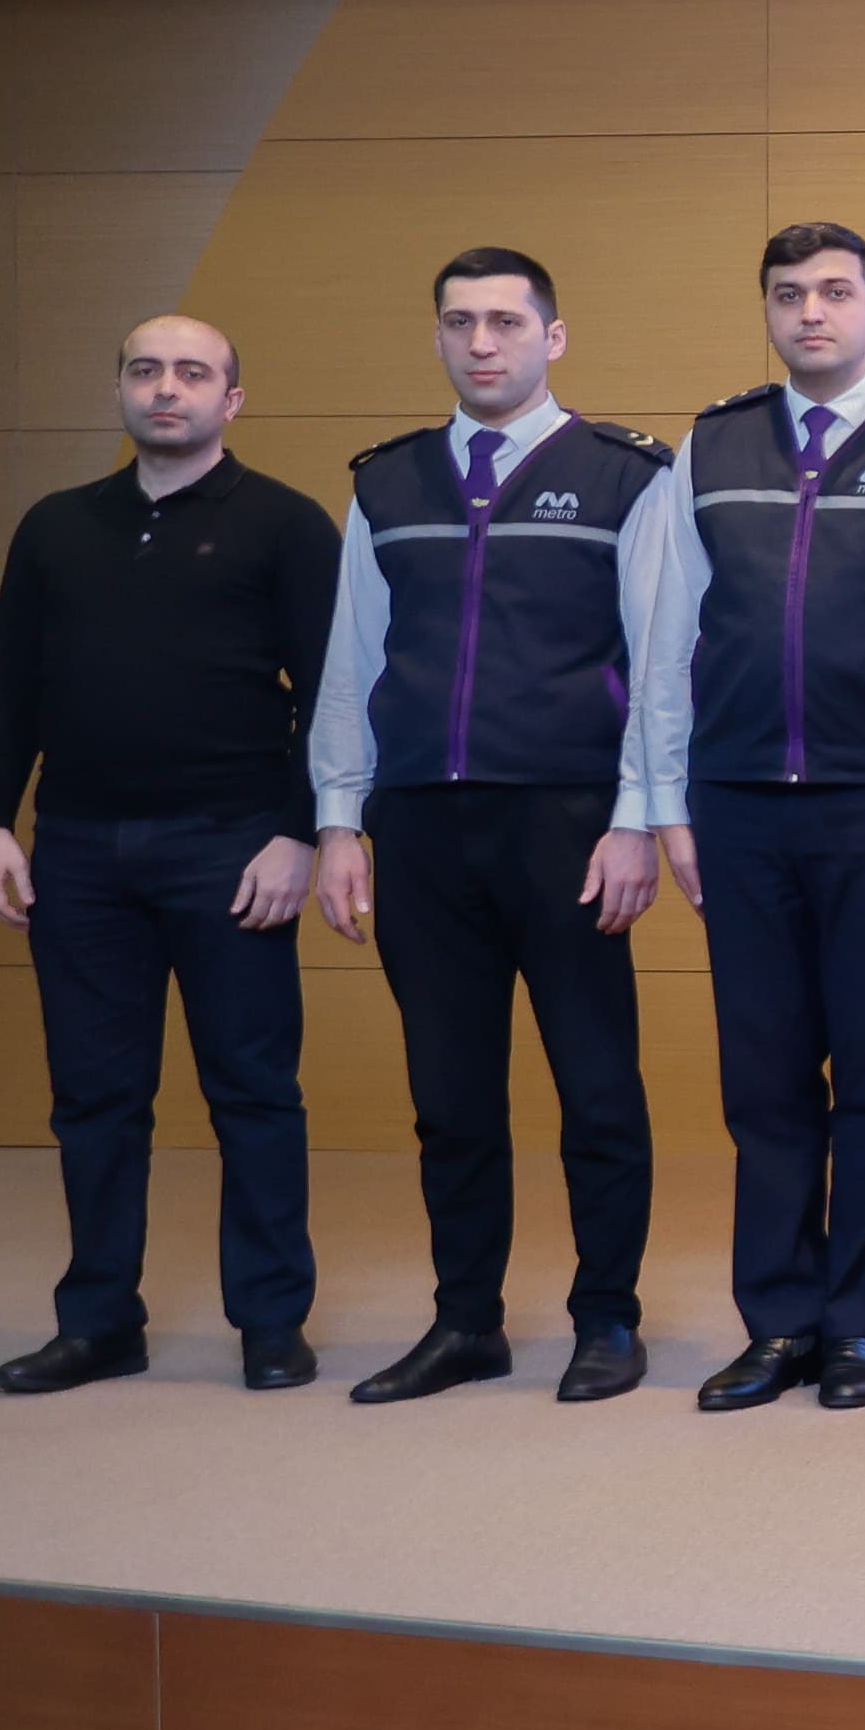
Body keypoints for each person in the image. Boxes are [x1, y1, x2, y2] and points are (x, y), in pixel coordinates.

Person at [305, 250, 685, 1408]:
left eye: (508, 321)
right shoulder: (388, 482)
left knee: (597, 1087)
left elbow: (660, 658)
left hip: (568, 824)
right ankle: (465, 1320)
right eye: (461, 321)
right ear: (437, 337)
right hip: (421, 824)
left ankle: (606, 1317)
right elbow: (349, 662)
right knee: (450, 1096)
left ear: (552, 338)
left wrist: (637, 818)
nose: (483, 342)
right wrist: (338, 818)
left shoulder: (627, 476)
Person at [650, 223, 865, 1418]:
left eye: (836, 293)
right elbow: (669, 635)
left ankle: (856, 1321)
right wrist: (668, 803)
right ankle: (779, 1320)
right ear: (766, 311)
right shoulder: (712, 443)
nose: (812, 312)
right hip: (738, 805)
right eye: (789, 294)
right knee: (762, 1077)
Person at [0, 314, 335, 1397]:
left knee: (253, 1092)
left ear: (232, 399)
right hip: (78, 852)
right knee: (94, 1098)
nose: (165, 388)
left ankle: (271, 1320)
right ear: (122, 391)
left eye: (191, 372)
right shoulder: (55, 526)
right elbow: (8, 685)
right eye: (145, 370)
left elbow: (332, 693)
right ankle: (98, 1324)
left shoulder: (286, 523)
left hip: (233, 849)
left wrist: (300, 833)